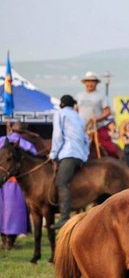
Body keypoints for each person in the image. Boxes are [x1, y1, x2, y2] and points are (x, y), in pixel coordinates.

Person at [49, 95, 90, 230]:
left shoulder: (60, 114)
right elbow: (86, 139)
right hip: (80, 155)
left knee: (61, 182)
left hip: (68, 153)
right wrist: (85, 156)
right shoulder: (79, 117)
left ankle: (64, 217)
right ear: (73, 105)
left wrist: (53, 154)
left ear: (61, 104)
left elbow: (58, 136)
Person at [0, 125, 36, 246]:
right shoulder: (27, 144)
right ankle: (10, 238)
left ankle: (4, 237)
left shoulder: (1, 140)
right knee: (15, 211)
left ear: (11, 129)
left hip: (2, 179)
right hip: (16, 181)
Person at [76, 71, 119, 159]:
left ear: (96, 83)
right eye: (88, 81)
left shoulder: (101, 96)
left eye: (92, 81)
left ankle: (115, 164)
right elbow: (75, 111)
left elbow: (107, 112)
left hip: (97, 128)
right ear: (84, 83)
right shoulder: (79, 96)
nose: (90, 83)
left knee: (110, 149)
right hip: (82, 129)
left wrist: (97, 119)